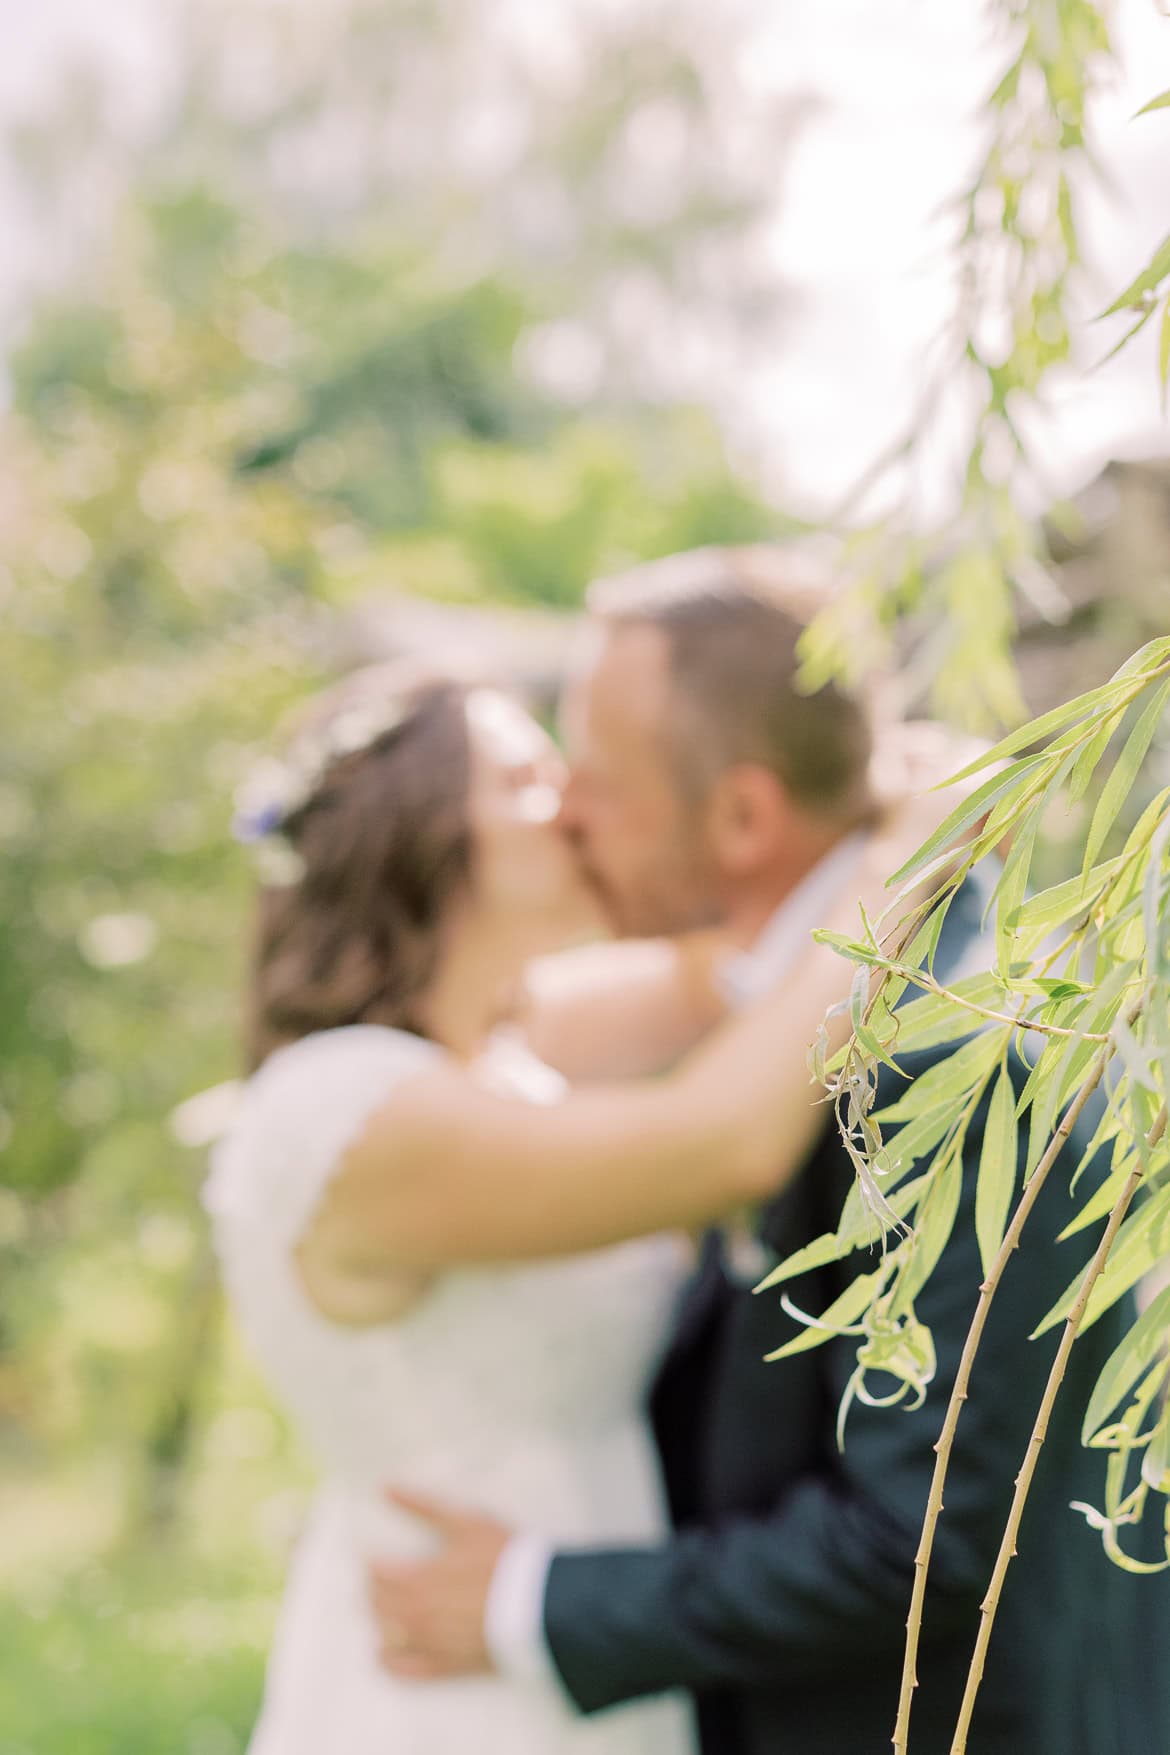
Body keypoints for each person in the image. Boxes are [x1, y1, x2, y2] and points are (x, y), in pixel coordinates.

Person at [368, 546, 1170, 1755]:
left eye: (598, 774)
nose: (565, 808)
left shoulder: (952, 1062)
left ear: (742, 813)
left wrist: (537, 1600)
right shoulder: (792, 1005)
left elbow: (925, 1543)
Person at [205, 643, 944, 1755]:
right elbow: (728, 1138)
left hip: (588, 1641)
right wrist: (909, 854)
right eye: (524, 778)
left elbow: (750, 970)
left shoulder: (509, 1042)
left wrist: (836, 793)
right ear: (424, 839)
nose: (572, 802)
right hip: (453, 1683)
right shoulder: (348, 1111)